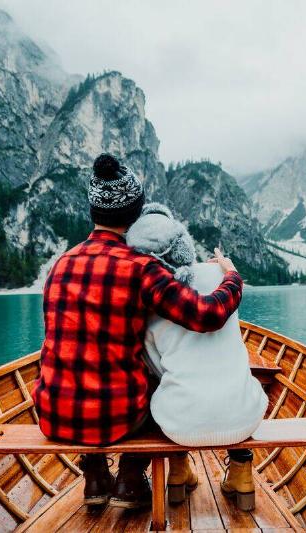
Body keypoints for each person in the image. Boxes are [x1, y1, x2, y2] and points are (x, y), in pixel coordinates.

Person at [31, 153, 243, 509]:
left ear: (93, 212)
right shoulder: (141, 268)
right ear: (137, 213)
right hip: (119, 419)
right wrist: (231, 276)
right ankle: (130, 478)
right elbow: (207, 315)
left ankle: (96, 478)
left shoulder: (59, 266)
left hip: (53, 415)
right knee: (160, 381)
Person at [126, 204, 268, 511]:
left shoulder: (149, 295)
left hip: (179, 424)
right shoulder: (219, 275)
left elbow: (155, 367)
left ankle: (178, 471)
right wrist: (229, 272)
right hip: (243, 417)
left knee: (158, 383)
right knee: (241, 378)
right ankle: (242, 473)